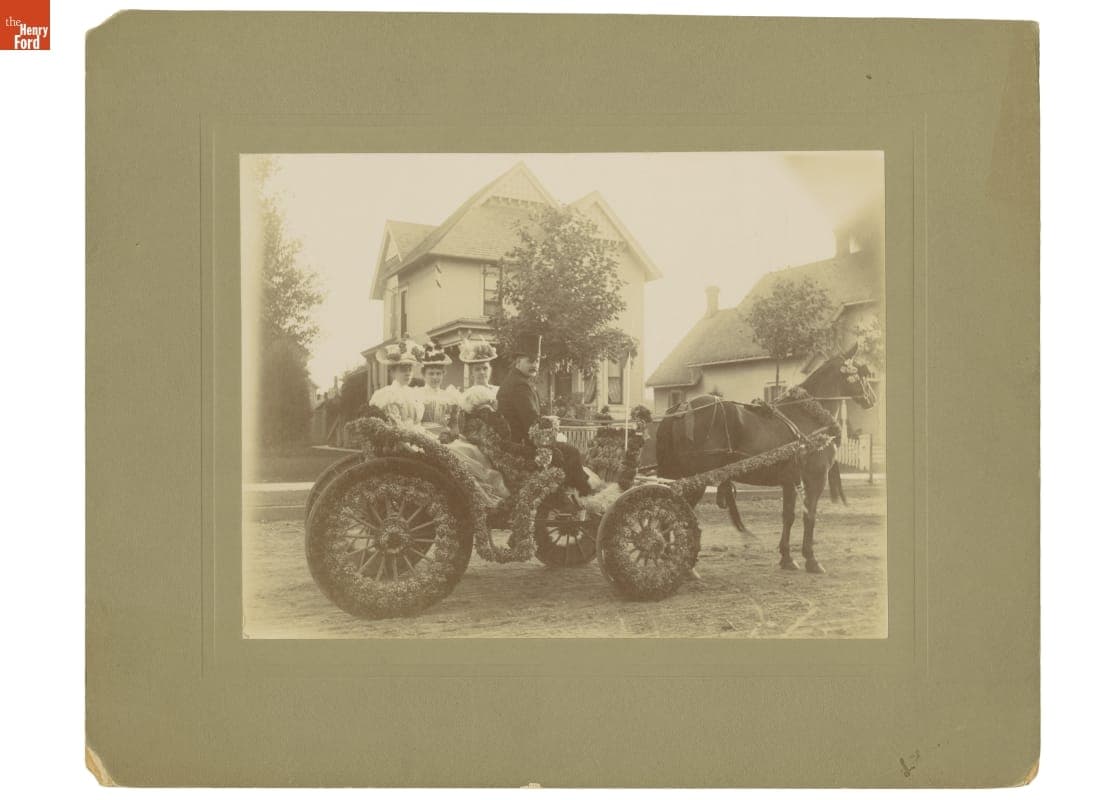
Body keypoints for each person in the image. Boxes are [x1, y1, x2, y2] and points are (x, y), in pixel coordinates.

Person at [497, 333, 593, 495]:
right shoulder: (520, 385)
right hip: (521, 443)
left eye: (537, 361)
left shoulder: (516, 380)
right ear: (518, 361)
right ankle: (582, 496)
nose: (535, 365)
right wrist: (549, 423)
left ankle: (573, 494)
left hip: (517, 439)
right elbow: (532, 423)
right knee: (572, 453)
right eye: (530, 361)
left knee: (567, 451)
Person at [369, 339, 426, 433]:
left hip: (419, 437)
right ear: (392, 372)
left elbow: (418, 423)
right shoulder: (387, 394)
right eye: (403, 369)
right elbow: (393, 427)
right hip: (398, 440)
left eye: (410, 369)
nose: (408, 373)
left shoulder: (415, 393)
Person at [415, 343, 461, 440]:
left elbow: (454, 425)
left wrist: (451, 435)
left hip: (446, 437)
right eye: (431, 373)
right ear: (423, 374)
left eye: (438, 373)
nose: (435, 377)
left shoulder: (450, 396)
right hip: (423, 437)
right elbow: (414, 423)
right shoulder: (417, 394)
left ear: (443, 374)